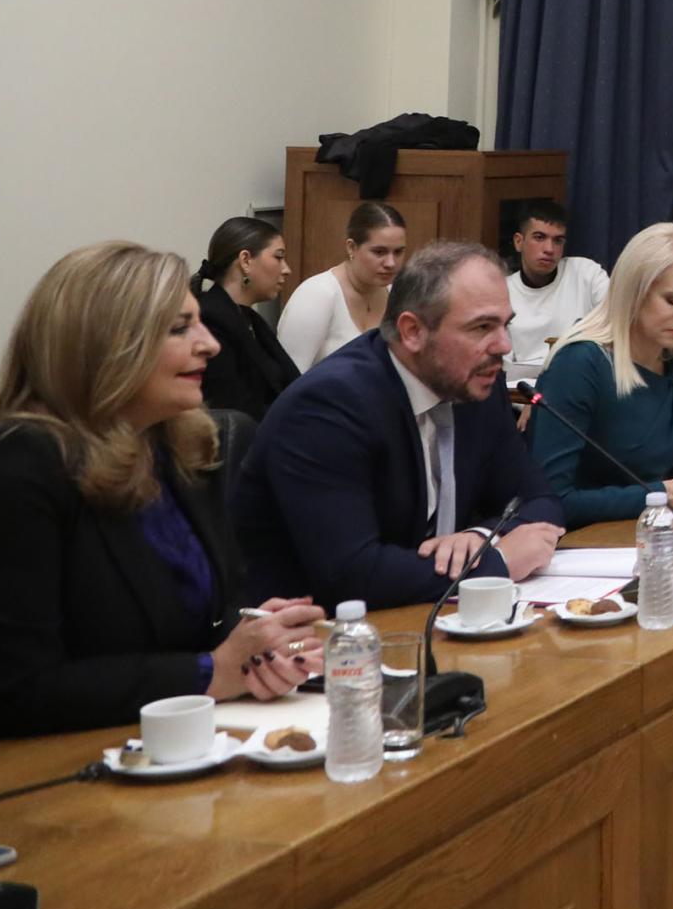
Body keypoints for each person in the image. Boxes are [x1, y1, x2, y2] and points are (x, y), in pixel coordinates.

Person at [0, 243, 327, 771]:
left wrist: (256, 642)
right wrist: (211, 672)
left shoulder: (179, 445)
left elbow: (196, 621)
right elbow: (15, 688)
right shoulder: (14, 468)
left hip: (145, 746)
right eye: (180, 329)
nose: (211, 344)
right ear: (106, 348)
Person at [233, 240, 566, 609]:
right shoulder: (328, 406)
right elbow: (352, 574)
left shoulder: (474, 384)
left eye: (505, 325)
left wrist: (480, 536)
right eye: (482, 327)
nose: (503, 346)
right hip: (319, 631)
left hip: (425, 614)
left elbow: (540, 500)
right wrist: (495, 562)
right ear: (412, 331)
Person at [530, 223, 673, 528]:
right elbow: (551, 501)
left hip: (656, 534)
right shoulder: (578, 364)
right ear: (634, 293)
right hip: (586, 543)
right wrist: (666, 494)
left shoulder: (672, 361)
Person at [275, 200, 407, 369]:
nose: (391, 263)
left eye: (398, 252)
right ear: (351, 247)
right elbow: (288, 376)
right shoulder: (317, 295)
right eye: (379, 252)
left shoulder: (398, 295)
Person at [194, 216, 302, 423]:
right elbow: (231, 408)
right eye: (278, 257)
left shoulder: (252, 321)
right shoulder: (209, 320)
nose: (286, 269)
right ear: (245, 260)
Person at [505, 198, 609, 376]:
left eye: (558, 240)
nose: (549, 249)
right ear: (519, 242)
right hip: (521, 389)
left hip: (582, 381)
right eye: (539, 237)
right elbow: (503, 368)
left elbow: (617, 325)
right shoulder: (502, 292)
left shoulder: (586, 274)